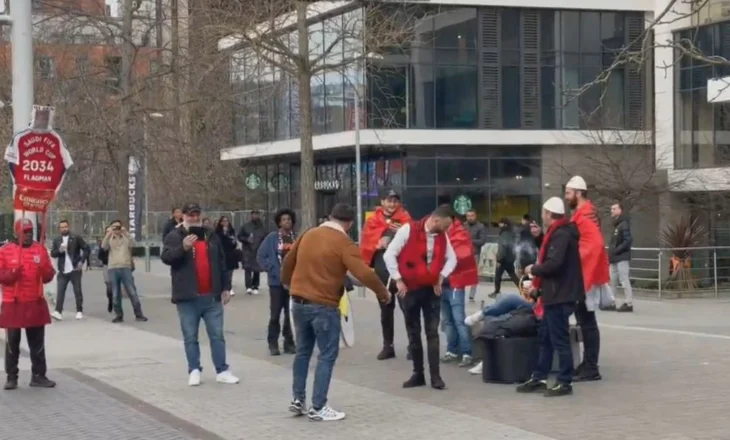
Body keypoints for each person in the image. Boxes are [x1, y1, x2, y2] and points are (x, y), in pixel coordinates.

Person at [282, 203, 390, 421]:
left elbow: (287, 262)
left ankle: (297, 399)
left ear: (330, 216)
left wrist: (288, 284)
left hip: (298, 302)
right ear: (349, 223)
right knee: (327, 354)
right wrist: (382, 293)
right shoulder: (344, 242)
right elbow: (363, 274)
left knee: (303, 352)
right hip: (323, 304)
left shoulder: (308, 234)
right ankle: (319, 406)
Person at [161, 203, 239, 386]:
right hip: (187, 298)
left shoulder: (211, 235)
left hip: (211, 296)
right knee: (190, 336)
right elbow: (166, 258)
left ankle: (222, 370)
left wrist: (226, 287)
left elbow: (222, 262)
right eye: (190, 215)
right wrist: (183, 247)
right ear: (183, 217)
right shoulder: (175, 236)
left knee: (217, 335)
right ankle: (194, 369)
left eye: (197, 214)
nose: (194, 218)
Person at [383, 205, 458, 390]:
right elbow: (389, 255)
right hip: (409, 289)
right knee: (413, 333)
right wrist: (398, 279)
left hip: (431, 289)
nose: (446, 231)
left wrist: (441, 276)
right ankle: (418, 374)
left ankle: (436, 377)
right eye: (445, 226)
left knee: (432, 333)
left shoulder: (442, 236)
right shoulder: (407, 230)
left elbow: (452, 258)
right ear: (436, 220)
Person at [516, 196, 584, 397]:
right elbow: (552, 255)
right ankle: (540, 376)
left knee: (559, 339)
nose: (542, 217)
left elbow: (554, 263)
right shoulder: (559, 234)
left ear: (548, 214)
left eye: (544, 213)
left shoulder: (561, 235)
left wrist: (533, 269)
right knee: (546, 337)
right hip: (555, 293)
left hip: (559, 294)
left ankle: (564, 382)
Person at [0, 219, 57, 390]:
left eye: (30, 232)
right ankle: (11, 377)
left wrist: (44, 271)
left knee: (37, 343)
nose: (28, 235)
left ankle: (39, 375)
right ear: (17, 232)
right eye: (24, 232)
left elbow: (49, 274)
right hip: (13, 302)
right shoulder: (5, 251)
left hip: (35, 301)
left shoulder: (40, 250)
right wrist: (12, 274)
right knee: (12, 343)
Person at [565, 175, 609, 382]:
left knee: (587, 321)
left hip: (584, 275)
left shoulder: (586, 214)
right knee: (585, 321)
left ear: (578, 193)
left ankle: (591, 366)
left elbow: (593, 245)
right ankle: (588, 364)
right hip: (584, 274)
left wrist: (574, 261)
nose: (566, 197)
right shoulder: (584, 213)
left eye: (568, 193)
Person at [359, 189, 411, 360]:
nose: (392, 204)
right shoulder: (373, 220)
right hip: (382, 268)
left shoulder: (406, 219)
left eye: (395, 201)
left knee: (407, 307)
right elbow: (366, 243)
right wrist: (377, 243)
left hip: (402, 269)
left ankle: (413, 345)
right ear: (382, 202)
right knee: (385, 307)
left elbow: (415, 240)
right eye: (389, 201)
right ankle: (388, 346)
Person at [257, 208, 297, 356]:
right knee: (275, 314)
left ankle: (289, 343)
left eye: (289, 219)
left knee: (290, 314)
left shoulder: (295, 238)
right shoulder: (272, 238)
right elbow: (261, 256)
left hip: (293, 283)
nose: (288, 222)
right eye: (284, 219)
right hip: (276, 283)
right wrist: (272, 268)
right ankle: (273, 343)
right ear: (279, 223)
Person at [441, 216, 479, 368]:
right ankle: (452, 350)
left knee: (458, 319)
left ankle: (467, 352)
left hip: (455, 282)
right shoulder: (440, 233)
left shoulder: (460, 233)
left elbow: (461, 255)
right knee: (447, 320)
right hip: (442, 282)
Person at [101, 219, 148, 323]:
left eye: (118, 227)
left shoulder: (126, 238)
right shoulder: (110, 238)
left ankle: (139, 314)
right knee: (115, 293)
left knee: (132, 291)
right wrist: (109, 234)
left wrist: (125, 232)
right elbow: (103, 247)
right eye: (114, 227)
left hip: (125, 267)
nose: (116, 229)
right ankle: (119, 315)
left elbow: (134, 244)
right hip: (113, 268)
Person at [50, 219, 90, 321]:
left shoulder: (75, 237)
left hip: (75, 269)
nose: (64, 229)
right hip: (63, 270)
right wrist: (60, 250)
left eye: (65, 227)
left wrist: (82, 261)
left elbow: (86, 248)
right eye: (62, 227)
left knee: (77, 291)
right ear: (59, 229)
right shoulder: (57, 240)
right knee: (60, 292)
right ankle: (58, 312)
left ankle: (79, 311)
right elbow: (53, 254)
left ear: (69, 227)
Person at [609, 202, 633, 312]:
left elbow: (628, 240)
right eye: (611, 209)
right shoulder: (617, 224)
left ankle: (629, 303)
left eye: (614, 209)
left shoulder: (623, 224)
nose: (612, 211)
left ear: (620, 210)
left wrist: (617, 250)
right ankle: (611, 301)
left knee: (624, 279)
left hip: (621, 257)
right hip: (614, 257)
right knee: (612, 280)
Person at [239, 210, 267, 295]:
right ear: (251, 216)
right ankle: (248, 286)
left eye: (257, 214)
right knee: (247, 268)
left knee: (256, 268)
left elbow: (265, 238)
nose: (255, 216)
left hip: (258, 249)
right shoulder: (246, 226)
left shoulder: (262, 227)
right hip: (248, 250)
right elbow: (240, 236)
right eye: (253, 214)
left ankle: (255, 286)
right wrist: (246, 239)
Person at [490, 217, 519, 298]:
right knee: (513, 275)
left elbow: (503, 247)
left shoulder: (504, 233)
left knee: (498, 276)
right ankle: (523, 288)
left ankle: (497, 292)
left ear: (504, 224)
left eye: (500, 223)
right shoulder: (511, 232)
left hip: (503, 259)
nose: (499, 225)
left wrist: (499, 259)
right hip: (510, 257)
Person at [464, 209, 487, 303]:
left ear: (475, 216)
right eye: (468, 216)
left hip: (474, 254)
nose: (470, 218)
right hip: (462, 255)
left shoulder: (480, 226)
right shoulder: (463, 225)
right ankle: (460, 293)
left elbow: (482, 241)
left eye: (472, 215)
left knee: (473, 276)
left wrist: (469, 240)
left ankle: (471, 296)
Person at [215, 215, 239, 296]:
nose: (225, 223)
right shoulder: (217, 232)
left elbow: (234, 242)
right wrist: (224, 233)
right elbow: (219, 243)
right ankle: (222, 287)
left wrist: (234, 241)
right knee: (222, 271)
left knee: (230, 272)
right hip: (222, 254)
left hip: (231, 254)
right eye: (223, 221)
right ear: (220, 222)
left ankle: (229, 288)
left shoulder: (231, 231)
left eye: (227, 221)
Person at [97, 233, 113, 313]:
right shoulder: (104, 243)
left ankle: (116, 302)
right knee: (109, 286)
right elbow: (99, 255)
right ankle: (110, 300)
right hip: (107, 266)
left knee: (116, 285)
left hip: (116, 265)